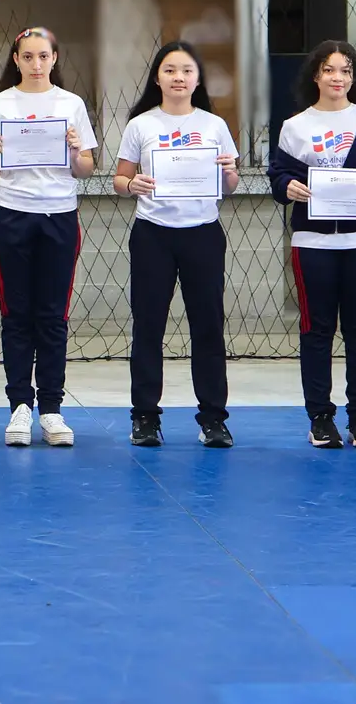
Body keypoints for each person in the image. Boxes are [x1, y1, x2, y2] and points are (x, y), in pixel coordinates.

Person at [267, 40, 356, 450]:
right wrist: (287, 186)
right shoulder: (295, 125)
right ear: (316, 75)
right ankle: (321, 419)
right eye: (329, 69)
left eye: (346, 70)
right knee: (316, 331)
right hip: (313, 243)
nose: (337, 77)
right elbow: (279, 175)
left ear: (354, 78)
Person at [113, 41, 241, 449]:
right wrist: (132, 185)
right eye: (170, 70)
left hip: (202, 232)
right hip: (153, 233)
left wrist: (230, 172)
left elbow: (230, 184)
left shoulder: (213, 125)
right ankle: (145, 417)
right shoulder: (141, 125)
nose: (178, 77)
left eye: (186, 70)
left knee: (208, 327)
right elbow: (119, 179)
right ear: (157, 77)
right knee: (148, 326)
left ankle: (213, 419)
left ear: (198, 79)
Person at [0, 27, 96, 448]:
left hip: (59, 214)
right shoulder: (1, 104)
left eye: (43, 56)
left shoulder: (71, 104)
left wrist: (77, 151)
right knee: (16, 313)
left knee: (53, 315)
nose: (36, 64)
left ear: (54, 58)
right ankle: (20, 407)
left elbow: (86, 168)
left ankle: (52, 408)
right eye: (28, 56)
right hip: (12, 212)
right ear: (16, 60)